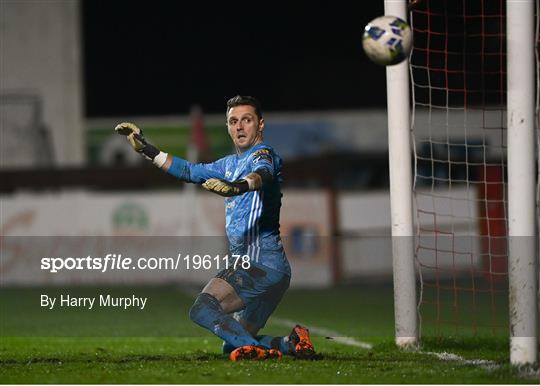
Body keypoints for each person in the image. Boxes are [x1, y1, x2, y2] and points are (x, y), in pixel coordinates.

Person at [115, 95, 315, 361]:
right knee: (232, 344)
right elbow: (189, 171)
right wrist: (147, 150)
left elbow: (262, 175)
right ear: (228, 127)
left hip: (257, 264)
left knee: (202, 309)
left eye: (247, 120)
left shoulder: (263, 155)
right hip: (273, 271)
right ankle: (292, 344)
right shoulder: (228, 165)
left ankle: (261, 353)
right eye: (234, 121)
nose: (240, 127)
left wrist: (237, 187)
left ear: (260, 125)